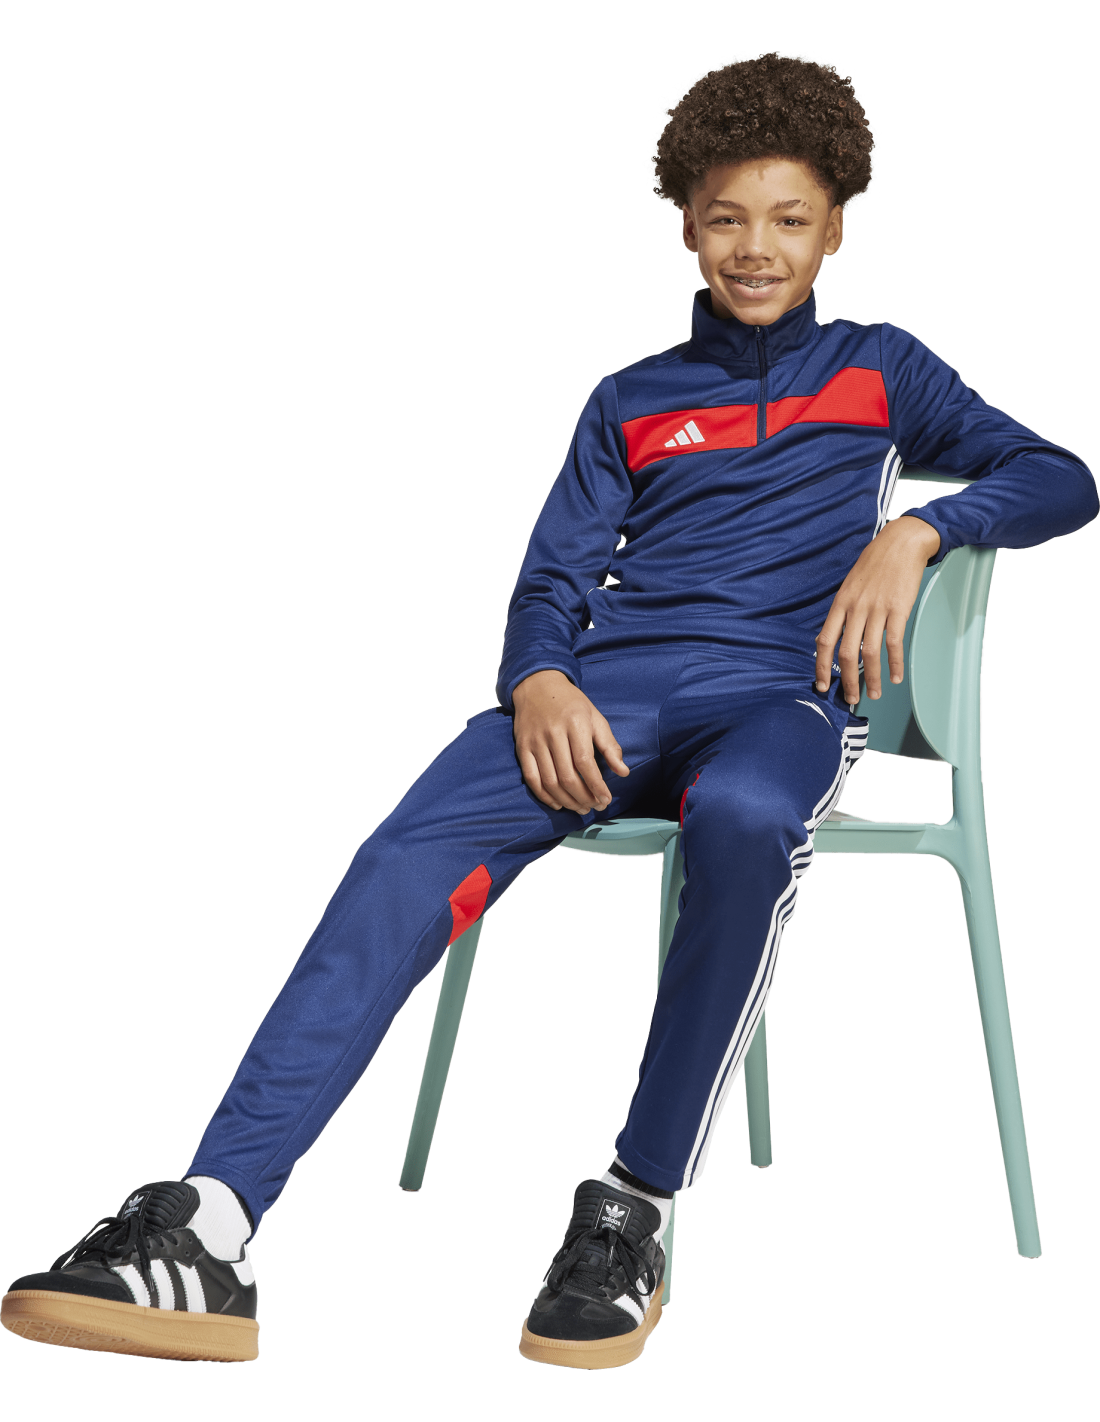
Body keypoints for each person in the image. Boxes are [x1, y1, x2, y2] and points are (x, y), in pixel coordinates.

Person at [3, 53, 1096, 1371]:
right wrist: (537, 680)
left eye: (789, 218)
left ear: (836, 229)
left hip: (776, 700)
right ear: (686, 223)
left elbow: (1061, 475)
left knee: (748, 817)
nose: (756, 248)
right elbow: (551, 583)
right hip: (601, 700)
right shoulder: (630, 400)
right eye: (727, 217)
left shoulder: (884, 371)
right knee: (405, 855)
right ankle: (212, 1222)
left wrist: (920, 529)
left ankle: (633, 1209)